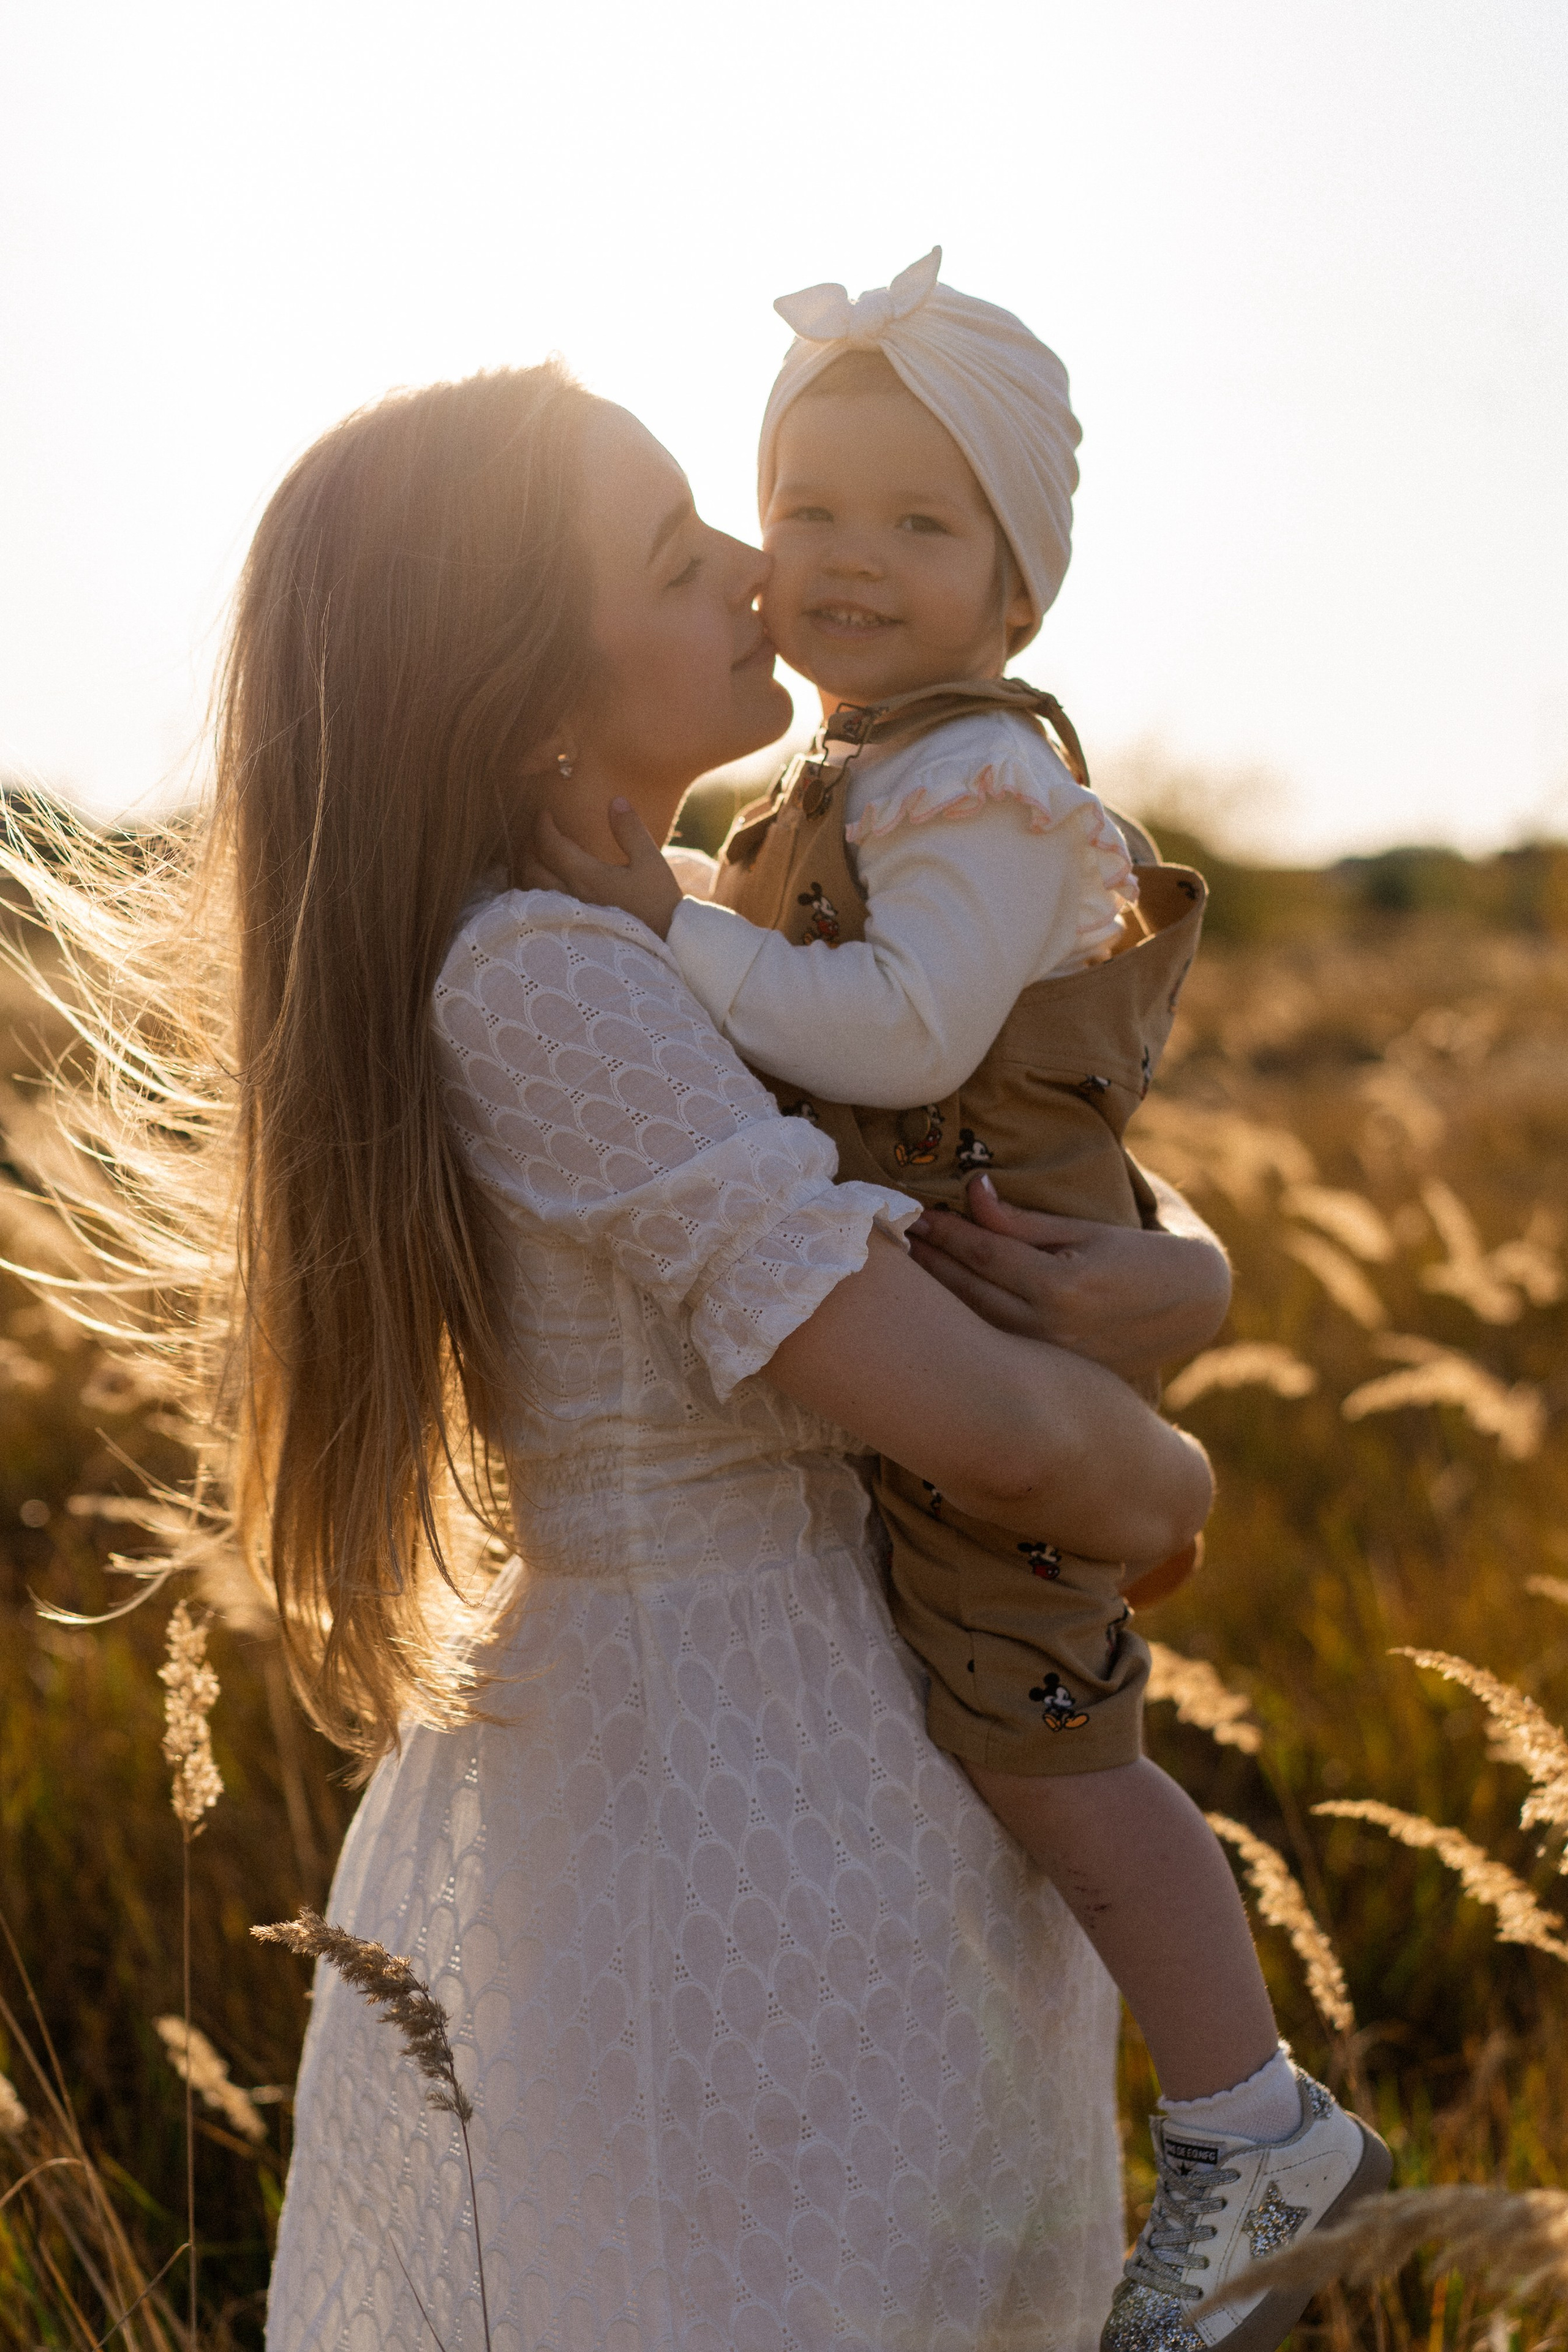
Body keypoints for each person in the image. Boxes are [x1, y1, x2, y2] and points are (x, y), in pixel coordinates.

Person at [533, 251, 1390, 2352]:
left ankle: (1253, 2120)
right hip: (938, 1340)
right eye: (805, 508)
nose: (840, 560)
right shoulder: (843, 783)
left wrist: (667, 924)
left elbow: (911, 1038)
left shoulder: (985, 783)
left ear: (1018, 593)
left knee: (1053, 1742)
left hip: (995, 1329)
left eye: (918, 524)